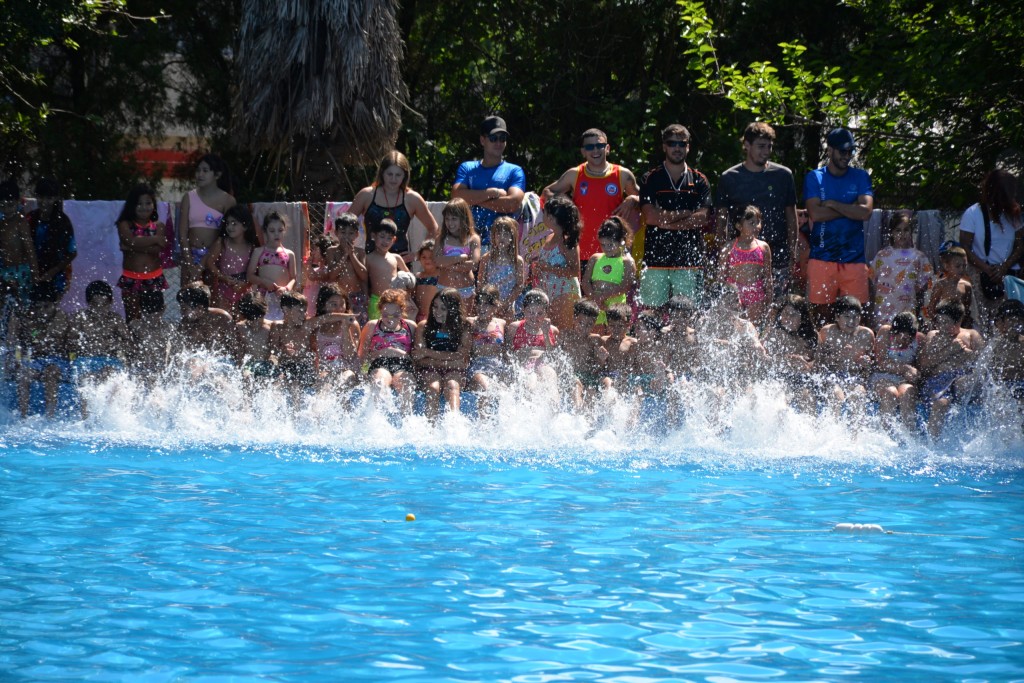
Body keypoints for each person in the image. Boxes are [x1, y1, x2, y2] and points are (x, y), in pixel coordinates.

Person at [715, 122, 798, 297]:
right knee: (737, 307)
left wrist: (793, 252)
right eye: (761, 146)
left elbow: (791, 215)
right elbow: (721, 219)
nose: (766, 151)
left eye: (769, 146)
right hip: (741, 254)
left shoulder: (783, 175)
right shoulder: (729, 178)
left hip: (777, 252)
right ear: (746, 145)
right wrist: (722, 252)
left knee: (776, 305)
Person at [803, 128, 875, 324]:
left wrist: (833, 204)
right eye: (843, 151)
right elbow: (816, 214)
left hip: (854, 258)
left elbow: (866, 212)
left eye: (850, 151)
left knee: (858, 317)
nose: (847, 156)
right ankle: (822, 353)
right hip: (822, 256)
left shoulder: (860, 176)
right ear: (830, 150)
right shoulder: (815, 177)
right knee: (820, 318)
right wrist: (851, 209)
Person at [637, 124, 713, 309]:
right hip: (656, 258)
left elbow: (702, 218)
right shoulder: (650, 178)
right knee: (650, 315)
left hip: (688, 259)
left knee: (688, 316)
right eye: (672, 143)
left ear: (688, 147)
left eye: (682, 143)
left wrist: (667, 222)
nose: (677, 147)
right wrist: (685, 214)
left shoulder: (699, 180)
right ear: (664, 146)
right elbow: (651, 218)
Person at [541, 128, 640, 261]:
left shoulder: (622, 175)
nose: (595, 150)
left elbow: (646, 201)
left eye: (600, 146)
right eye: (589, 147)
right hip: (580, 251)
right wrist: (568, 204)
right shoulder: (575, 174)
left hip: (613, 252)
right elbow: (547, 192)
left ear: (607, 148)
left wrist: (634, 198)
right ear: (583, 152)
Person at [957, 169, 1024, 332]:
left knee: (1006, 322)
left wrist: (1004, 267)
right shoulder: (973, 213)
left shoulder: (1014, 214)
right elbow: (965, 247)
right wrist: (987, 269)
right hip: (979, 272)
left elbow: (1020, 245)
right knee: (981, 321)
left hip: (1006, 274)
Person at [349, 150, 439, 265]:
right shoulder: (367, 195)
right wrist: (352, 250)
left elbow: (434, 228)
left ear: (405, 175)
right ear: (382, 173)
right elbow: (345, 223)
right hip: (370, 260)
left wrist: (418, 253)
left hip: (400, 262)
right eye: (389, 174)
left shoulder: (412, 199)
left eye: (398, 175)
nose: (393, 179)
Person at [452, 115, 527, 249]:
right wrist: (493, 192)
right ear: (482, 140)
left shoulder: (515, 171)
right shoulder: (467, 168)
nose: (498, 143)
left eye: (502, 139)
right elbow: (457, 195)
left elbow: (512, 204)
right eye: (493, 138)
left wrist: (473, 199)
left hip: (501, 247)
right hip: (467, 244)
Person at [919, 299, 985, 438]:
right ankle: (932, 444)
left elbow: (983, 363)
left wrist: (964, 352)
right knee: (941, 403)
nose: (941, 326)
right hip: (938, 381)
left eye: (946, 322)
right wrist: (949, 351)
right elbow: (924, 365)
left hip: (962, 380)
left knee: (968, 382)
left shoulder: (971, 335)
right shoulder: (933, 335)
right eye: (939, 322)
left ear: (959, 320)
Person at [10, 284, 69, 418]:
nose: (42, 311)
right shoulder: (27, 318)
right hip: (36, 361)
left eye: (46, 307)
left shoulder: (60, 317)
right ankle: (23, 417)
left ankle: (50, 416)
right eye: (38, 307)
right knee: (23, 374)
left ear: (55, 304)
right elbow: (14, 344)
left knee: (51, 373)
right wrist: (18, 358)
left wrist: (36, 340)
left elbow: (50, 343)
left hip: (57, 361)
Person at [413, 288, 471, 420]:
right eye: (435, 307)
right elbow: (418, 359)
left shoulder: (463, 328)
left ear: (453, 310)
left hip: (454, 371)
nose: (437, 312)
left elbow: (462, 361)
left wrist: (428, 353)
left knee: (452, 386)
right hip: (429, 370)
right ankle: (431, 425)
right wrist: (450, 359)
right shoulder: (424, 327)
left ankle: (454, 425)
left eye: (443, 309)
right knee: (433, 387)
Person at [815, 295, 875, 421]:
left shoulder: (866, 335)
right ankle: (832, 433)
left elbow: (871, 368)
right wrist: (838, 357)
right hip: (831, 376)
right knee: (837, 395)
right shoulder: (827, 332)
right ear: (837, 317)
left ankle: (855, 438)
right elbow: (818, 363)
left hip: (854, 378)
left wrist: (865, 364)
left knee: (859, 395)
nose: (851, 321)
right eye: (847, 317)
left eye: (855, 317)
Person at [179, 154, 237, 284]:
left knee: (211, 301)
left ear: (217, 175)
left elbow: (225, 235)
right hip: (190, 256)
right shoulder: (188, 198)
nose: (200, 174)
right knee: (187, 300)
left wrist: (204, 263)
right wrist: (189, 263)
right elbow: (182, 234)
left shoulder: (228, 200)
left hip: (214, 259)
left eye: (205, 171)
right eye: (198, 170)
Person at [357, 287, 418, 412]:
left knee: (407, 385)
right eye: (385, 315)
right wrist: (360, 374)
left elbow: (416, 356)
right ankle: (376, 422)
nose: (390, 319)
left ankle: (406, 422)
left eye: (395, 315)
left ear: (402, 311)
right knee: (379, 383)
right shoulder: (372, 326)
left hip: (403, 365)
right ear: (380, 311)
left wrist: (401, 354)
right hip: (380, 364)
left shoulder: (410, 326)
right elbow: (362, 355)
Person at [870, 212, 933, 327]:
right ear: (892, 233)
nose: (902, 234)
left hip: (907, 309)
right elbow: (873, 281)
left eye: (906, 230)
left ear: (911, 232)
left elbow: (924, 286)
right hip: (883, 311)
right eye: (898, 230)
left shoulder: (919, 257)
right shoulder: (882, 255)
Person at [116, 184, 168, 323]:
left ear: (154, 205)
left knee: (154, 319)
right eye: (139, 203)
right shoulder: (125, 224)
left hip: (154, 276)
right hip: (131, 277)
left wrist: (131, 246)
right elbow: (132, 241)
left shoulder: (159, 226)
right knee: (132, 319)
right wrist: (154, 239)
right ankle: (133, 344)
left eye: (148, 203)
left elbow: (157, 249)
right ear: (132, 205)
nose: (144, 207)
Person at [531, 195, 582, 331]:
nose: (542, 214)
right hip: (548, 291)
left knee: (563, 332)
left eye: (545, 213)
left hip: (564, 292)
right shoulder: (549, 236)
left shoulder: (567, 242)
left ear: (552, 219)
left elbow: (574, 272)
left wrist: (547, 267)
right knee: (549, 332)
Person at [717, 205, 773, 328]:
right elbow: (721, 277)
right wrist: (722, 297)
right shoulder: (728, 248)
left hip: (756, 293)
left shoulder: (763, 247)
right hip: (734, 294)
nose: (757, 226)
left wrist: (769, 301)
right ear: (739, 226)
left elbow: (768, 277)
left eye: (758, 222)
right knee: (733, 329)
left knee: (752, 328)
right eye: (752, 223)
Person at [869, 311, 924, 432]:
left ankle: (910, 434)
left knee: (907, 394)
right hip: (882, 376)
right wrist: (905, 368)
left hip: (904, 379)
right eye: (903, 337)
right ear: (895, 331)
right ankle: (885, 434)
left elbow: (921, 367)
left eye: (910, 338)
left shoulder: (920, 339)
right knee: (890, 393)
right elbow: (881, 362)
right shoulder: (885, 332)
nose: (906, 341)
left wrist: (916, 374)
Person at [761, 294, 817, 412]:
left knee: (808, 399)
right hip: (777, 379)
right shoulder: (773, 334)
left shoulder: (811, 337)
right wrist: (789, 358)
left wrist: (810, 365)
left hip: (801, 380)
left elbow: (819, 360)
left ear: (803, 318)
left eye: (794, 315)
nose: (788, 318)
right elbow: (763, 360)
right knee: (781, 403)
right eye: (785, 313)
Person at [504, 289, 560, 406]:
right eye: (530, 312)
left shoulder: (552, 330)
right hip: (525, 365)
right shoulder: (515, 327)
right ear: (523, 310)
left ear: (546, 314)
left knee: (553, 394)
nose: (535, 317)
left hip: (544, 364)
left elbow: (553, 355)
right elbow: (507, 353)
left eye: (540, 313)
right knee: (531, 389)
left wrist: (545, 333)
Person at [68, 280, 130, 382]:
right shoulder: (80, 318)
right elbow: (69, 344)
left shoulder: (115, 319)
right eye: (95, 305)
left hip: (109, 360)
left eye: (104, 304)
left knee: (109, 373)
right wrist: (86, 346)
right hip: (85, 360)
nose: (100, 309)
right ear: (88, 303)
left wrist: (113, 344)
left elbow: (129, 343)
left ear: (111, 302)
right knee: (86, 377)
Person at [26, 177, 76, 301]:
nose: (44, 202)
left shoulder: (63, 222)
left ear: (55, 199)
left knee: (50, 310)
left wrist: (51, 272)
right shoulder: (30, 218)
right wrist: (33, 270)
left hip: (57, 275)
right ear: (36, 196)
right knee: (31, 311)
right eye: (41, 197)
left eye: (49, 198)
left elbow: (72, 252)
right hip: (31, 273)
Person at [582, 216, 637, 329]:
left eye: (610, 245)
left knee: (615, 334)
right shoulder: (595, 258)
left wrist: (603, 296)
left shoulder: (627, 261)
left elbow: (625, 286)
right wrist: (594, 297)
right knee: (595, 335)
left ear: (622, 241)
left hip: (616, 306)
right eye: (603, 244)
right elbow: (585, 282)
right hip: (595, 303)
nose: (606, 248)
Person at [204, 204, 258, 317]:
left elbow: (255, 271)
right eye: (227, 223)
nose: (229, 227)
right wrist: (223, 277)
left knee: (241, 322)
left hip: (244, 289)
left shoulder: (251, 247)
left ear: (245, 226)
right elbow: (210, 262)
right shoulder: (222, 242)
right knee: (223, 320)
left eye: (234, 223)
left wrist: (245, 284)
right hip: (223, 288)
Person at [246, 211, 297, 321]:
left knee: (281, 327)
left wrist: (287, 288)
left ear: (285, 231)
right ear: (265, 231)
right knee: (264, 324)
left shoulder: (289, 254)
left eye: (280, 230)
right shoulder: (259, 252)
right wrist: (264, 282)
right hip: (264, 297)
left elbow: (293, 278)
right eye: (272, 231)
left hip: (282, 297)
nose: (276, 234)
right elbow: (250, 276)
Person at [308, 284, 361, 391]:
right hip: (326, 370)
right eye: (334, 304)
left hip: (348, 370)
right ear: (323, 305)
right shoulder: (316, 325)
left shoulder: (352, 324)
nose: (339, 309)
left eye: (342, 304)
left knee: (344, 380)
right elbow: (314, 356)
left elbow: (350, 356)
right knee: (324, 383)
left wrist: (346, 329)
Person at [465, 285, 508, 415]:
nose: (481, 308)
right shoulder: (469, 322)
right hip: (478, 367)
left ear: (495, 306)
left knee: (508, 392)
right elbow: (464, 350)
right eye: (479, 303)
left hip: (499, 367)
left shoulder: (502, 323)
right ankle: (483, 427)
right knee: (488, 389)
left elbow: (506, 351)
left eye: (486, 304)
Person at [434, 198, 481, 313]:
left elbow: (474, 264)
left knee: (464, 320)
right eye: (447, 219)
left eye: (454, 219)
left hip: (466, 290)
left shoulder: (473, 239)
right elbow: (437, 261)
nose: (450, 223)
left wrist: (449, 264)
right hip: (444, 287)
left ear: (464, 219)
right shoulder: (441, 239)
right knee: (443, 319)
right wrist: (458, 258)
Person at [476, 216, 525, 321]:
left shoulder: (517, 261)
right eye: (498, 234)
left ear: (512, 237)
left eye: (506, 234)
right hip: (489, 304)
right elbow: (481, 283)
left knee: (506, 331)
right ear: (493, 236)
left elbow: (519, 285)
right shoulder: (486, 258)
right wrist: (490, 302)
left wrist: (506, 303)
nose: (502, 237)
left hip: (508, 305)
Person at [324, 213, 369, 324]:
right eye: (343, 233)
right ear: (336, 233)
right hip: (338, 297)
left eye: (351, 233)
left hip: (357, 296)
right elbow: (331, 275)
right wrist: (345, 256)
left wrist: (352, 255)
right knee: (338, 325)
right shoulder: (331, 251)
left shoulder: (360, 252)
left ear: (357, 235)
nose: (346, 237)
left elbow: (363, 275)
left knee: (359, 326)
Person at [0, 178, 36, 311]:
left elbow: (30, 249)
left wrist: (35, 275)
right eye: (2, 206)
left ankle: (25, 330)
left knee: (24, 307)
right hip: (5, 272)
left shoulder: (20, 222)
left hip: (22, 272)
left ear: (17, 202)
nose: (7, 209)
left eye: (10, 205)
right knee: (6, 306)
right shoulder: (2, 223)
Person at [365, 219, 411, 321]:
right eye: (382, 237)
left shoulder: (396, 258)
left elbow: (409, 278)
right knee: (376, 326)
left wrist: (406, 294)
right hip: (376, 300)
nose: (385, 241)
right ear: (373, 236)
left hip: (396, 300)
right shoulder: (368, 258)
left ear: (394, 240)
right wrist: (365, 297)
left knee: (396, 326)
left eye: (389, 238)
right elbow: (363, 280)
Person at [924, 244, 977, 329]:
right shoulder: (941, 285)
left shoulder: (966, 286)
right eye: (958, 266)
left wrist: (966, 325)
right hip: (943, 325)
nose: (961, 269)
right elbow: (931, 308)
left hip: (960, 326)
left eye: (964, 266)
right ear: (947, 266)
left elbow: (967, 309)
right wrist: (937, 323)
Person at [177, 283, 235, 356]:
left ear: (200, 308)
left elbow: (237, 345)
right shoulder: (185, 323)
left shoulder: (222, 318)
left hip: (223, 360)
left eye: (184, 309)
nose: (181, 312)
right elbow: (181, 350)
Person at [128, 291, 173, 376]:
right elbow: (127, 346)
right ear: (141, 310)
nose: (152, 319)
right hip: (140, 367)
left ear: (164, 308)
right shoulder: (135, 326)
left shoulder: (168, 328)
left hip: (160, 368)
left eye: (156, 315)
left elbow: (174, 351)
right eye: (148, 316)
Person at [234, 292, 276, 381]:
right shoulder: (240, 328)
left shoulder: (270, 328)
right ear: (244, 315)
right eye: (251, 320)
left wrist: (273, 363)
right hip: (249, 363)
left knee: (268, 378)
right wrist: (238, 368)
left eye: (259, 318)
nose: (255, 322)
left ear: (265, 312)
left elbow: (274, 352)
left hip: (265, 362)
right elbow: (239, 352)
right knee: (247, 377)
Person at [413, 240, 439, 323]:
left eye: (431, 257)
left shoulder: (442, 275)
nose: (427, 260)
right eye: (424, 257)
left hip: (435, 317)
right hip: (419, 316)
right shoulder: (417, 276)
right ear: (419, 258)